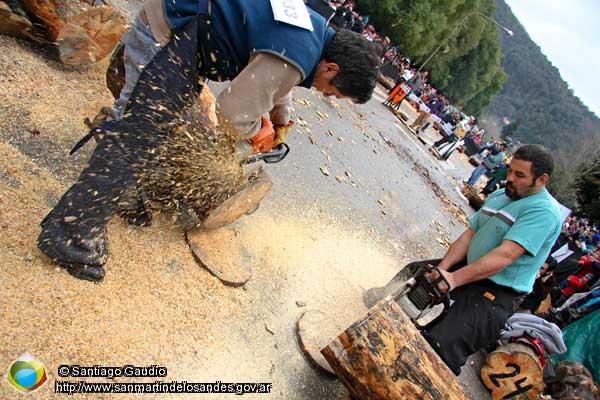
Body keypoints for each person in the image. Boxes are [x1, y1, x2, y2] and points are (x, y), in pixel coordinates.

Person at [37, 0, 383, 282]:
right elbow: (231, 112)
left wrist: (280, 118)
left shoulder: (315, 30)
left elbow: (281, 73)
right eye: (335, 94)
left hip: (185, 29)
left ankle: (124, 192)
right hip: (167, 34)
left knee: (157, 128)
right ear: (332, 69)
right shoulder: (297, 57)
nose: (329, 97)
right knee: (137, 135)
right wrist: (253, 134)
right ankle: (70, 235)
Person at [365, 144, 562, 374]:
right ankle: (371, 326)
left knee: (441, 345)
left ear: (542, 180)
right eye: (510, 171)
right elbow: (469, 236)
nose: (510, 178)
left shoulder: (543, 213)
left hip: (497, 291)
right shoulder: (500, 195)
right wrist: (442, 270)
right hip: (469, 266)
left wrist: (454, 280)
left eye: (519, 175)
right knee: (413, 276)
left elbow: (504, 256)